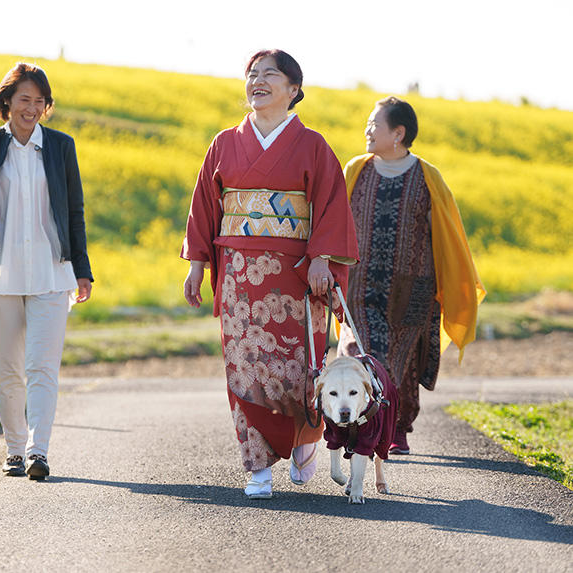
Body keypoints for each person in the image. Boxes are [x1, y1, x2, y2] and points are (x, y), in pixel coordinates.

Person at [182, 49, 359, 499]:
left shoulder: (313, 145)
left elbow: (332, 204)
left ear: (293, 89)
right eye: (252, 75)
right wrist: (198, 264)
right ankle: (256, 466)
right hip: (241, 274)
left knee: (300, 368)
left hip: (297, 275)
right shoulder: (224, 143)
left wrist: (323, 257)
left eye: (270, 75)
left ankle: (303, 439)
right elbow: (206, 205)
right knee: (245, 369)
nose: (257, 81)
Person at [0, 63, 93, 480]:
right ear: (7, 101)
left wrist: (82, 269)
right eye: (24, 99)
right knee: (7, 367)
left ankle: (38, 452)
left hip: (52, 271)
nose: (32, 108)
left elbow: (74, 211)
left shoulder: (62, 147)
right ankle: (14, 449)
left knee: (42, 366)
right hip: (1, 271)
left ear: (47, 106)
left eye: (39, 101)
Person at [338, 96, 484, 455]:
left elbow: (448, 234)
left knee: (402, 361)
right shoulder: (356, 169)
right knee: (367, 354)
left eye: (375, 125)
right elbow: (335, 221)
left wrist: (449, 286)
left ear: (398, 133)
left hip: (412, 289)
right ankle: (369, 428)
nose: (367, 131)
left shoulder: (428, 177)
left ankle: (398, 427)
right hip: (361, 285)